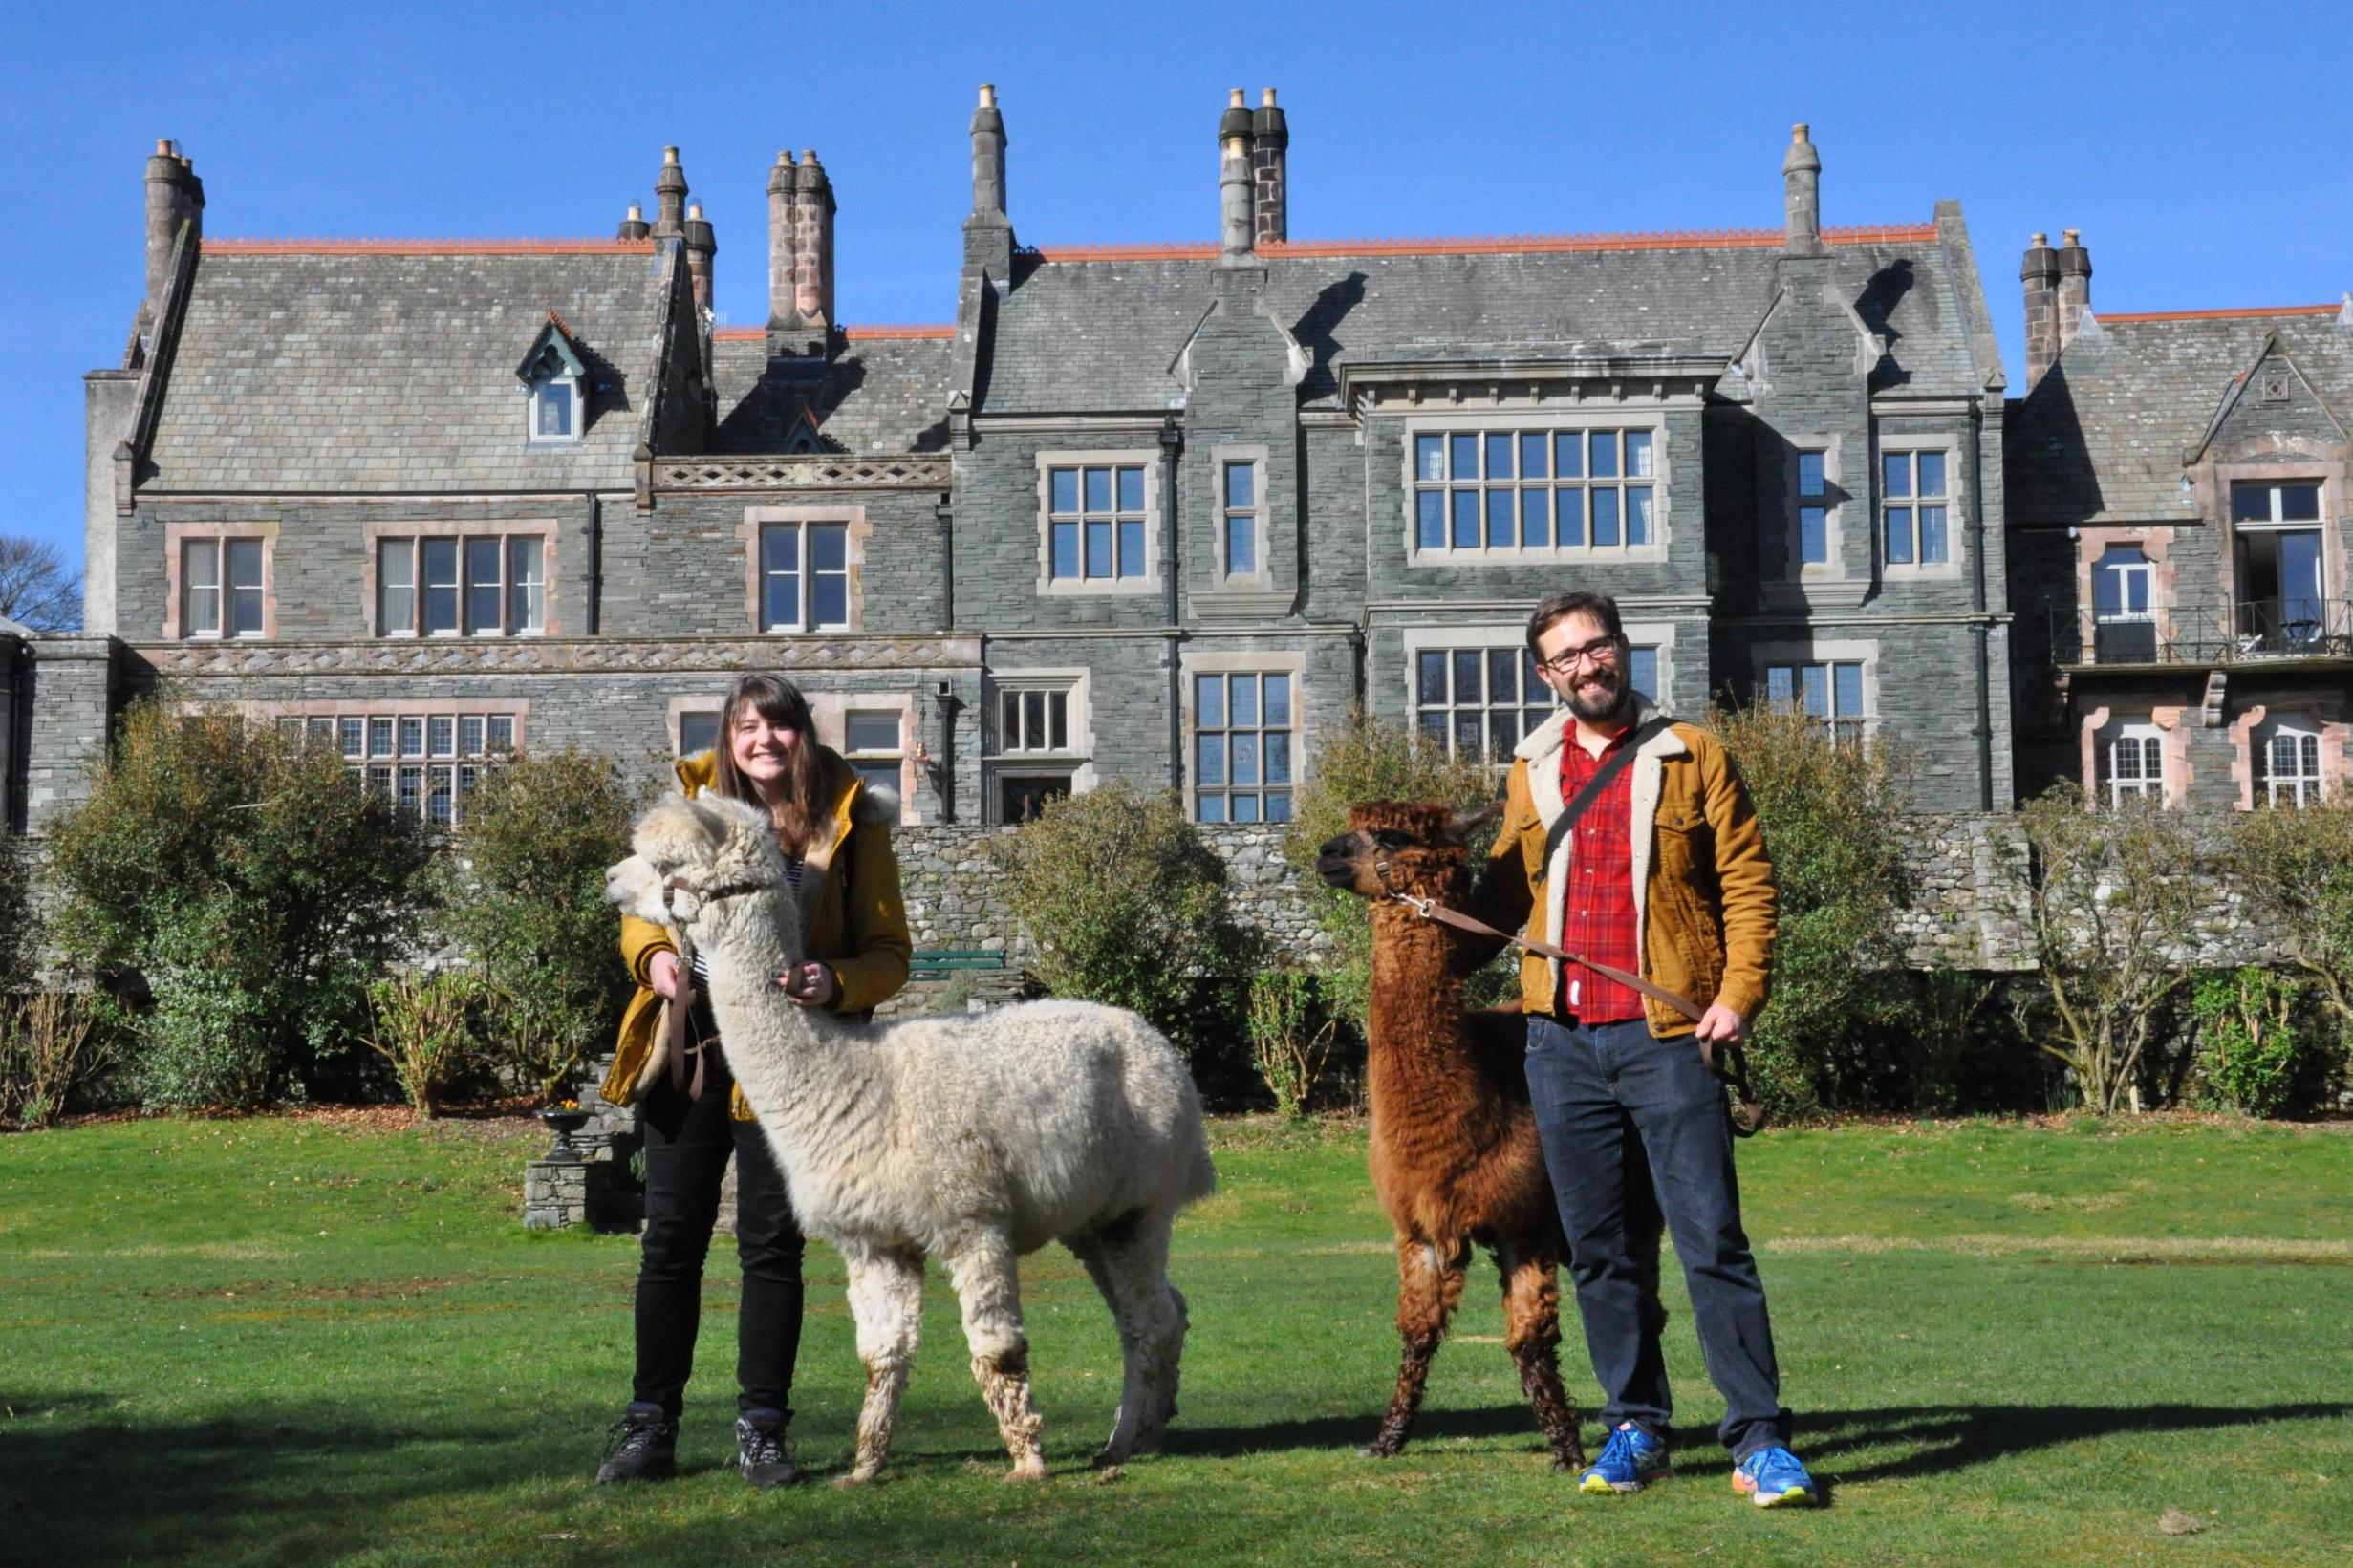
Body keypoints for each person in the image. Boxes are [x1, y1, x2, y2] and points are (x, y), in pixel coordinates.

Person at [1461, 590, 1815, 1508]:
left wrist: (1737, 998)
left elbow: (1748, 883)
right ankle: (1636, 1428)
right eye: (1565, 657)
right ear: (1546, 675)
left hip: (1669, 1040)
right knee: (1602, 1250)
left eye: (1596, 645)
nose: (1586, 666)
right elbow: (1504, 898)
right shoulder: (1530, 772)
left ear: (1622, 649)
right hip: (1561, 1044)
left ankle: (1759, 1440)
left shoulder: (1692, 755)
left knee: (1711, 1243)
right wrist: (1419, 935)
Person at [594, 673, 912, 1487]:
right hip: (690, 1046)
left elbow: (887, 954)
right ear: (728, 737)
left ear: (802, 733)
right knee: (671, 1241)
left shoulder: (850, 819)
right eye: (746, 727)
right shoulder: (689, 802)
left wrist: (834, 983)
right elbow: (642, 908)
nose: (762, 740)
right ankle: (648, 1424)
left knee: (772, 1246)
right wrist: (655, 956)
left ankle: (762, 1427)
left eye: (778, 726)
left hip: (796, 1066)